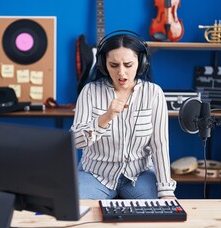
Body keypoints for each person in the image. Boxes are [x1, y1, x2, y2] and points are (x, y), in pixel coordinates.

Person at [70, 30, 176, 200]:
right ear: (104, 64)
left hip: (139, 176)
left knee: (156, 215)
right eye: (113, 65)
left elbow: (160, 146)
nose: (121, 73)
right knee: (77, 214)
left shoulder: (154, 93)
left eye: (128, 65)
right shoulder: (89, 92)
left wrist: (166, 192)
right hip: (95, 175)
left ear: (141, 63)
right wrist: (105, 118)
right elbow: (75, 140)